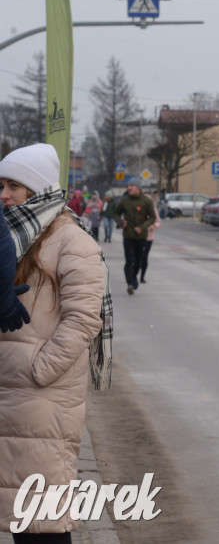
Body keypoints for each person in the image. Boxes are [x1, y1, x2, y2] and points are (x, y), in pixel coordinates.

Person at [0, 143, 112, 542]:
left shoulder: (72, 241)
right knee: (19, 514)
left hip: (41, 398)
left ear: (38, 189)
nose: (4, 195)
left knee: (42, 520)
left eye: (13, 186)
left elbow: (83, 319)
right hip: (10, 392)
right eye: (0, 185)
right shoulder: (11, 239)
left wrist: (39, 370)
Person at [114, 176, 155, 295]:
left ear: (138, 188)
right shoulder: (125, 201)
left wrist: (142, 227)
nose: (129, 188)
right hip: (128, 235)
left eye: (132, 186)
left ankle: (134, 277)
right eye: (128, 186)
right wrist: (120, 222)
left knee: (138, 261)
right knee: (129, 260)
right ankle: (130, 283)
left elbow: (152, 217)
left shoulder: (146, 201)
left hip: (141, 237)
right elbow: (116, 213)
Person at [139, 202, 161, 284]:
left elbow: (158, 221)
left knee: (144, 256)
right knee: (138, 256)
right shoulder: (137, 207)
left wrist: (154, 226)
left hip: (149, 237)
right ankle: (135, 273)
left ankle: (142, 277)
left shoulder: (153, 209)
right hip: (138, 236)